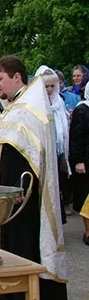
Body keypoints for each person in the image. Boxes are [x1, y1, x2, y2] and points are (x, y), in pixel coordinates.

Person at [0, 55, 68, 300]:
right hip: (9, 199)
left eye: (0, 79)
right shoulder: (15, 106)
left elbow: (30, 154)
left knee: (24, 251)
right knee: (12, 250)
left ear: (17, 77)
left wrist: (19, 188)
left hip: (23, 201)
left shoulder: (29, 109)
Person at [35, 66, 70, 224]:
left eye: (52, 86)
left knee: (57, 188)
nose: (49, 89)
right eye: (46, 86)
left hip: (58, 151)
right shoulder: (36, 103)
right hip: (42, 151)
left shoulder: (59, 102)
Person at [69, 82, 89, 246]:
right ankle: (88, 232)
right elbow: (76, 137)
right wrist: (78, 160)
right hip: (86, 160)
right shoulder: (82, 109)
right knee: (86, 198)